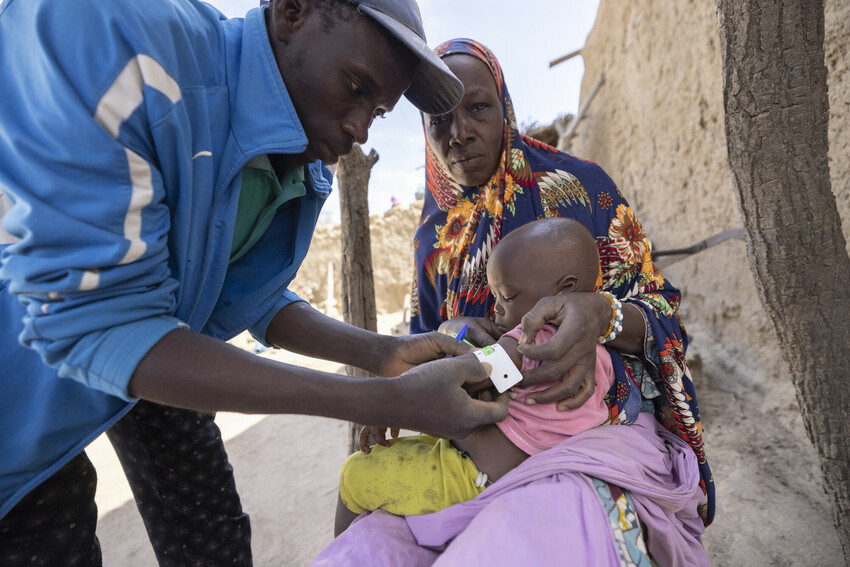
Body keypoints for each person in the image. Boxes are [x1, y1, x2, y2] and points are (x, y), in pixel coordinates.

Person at [0, 3, 511, 565]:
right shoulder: (114, 35)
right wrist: (387, 399)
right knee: (48, 523)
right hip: (19, 393)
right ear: (294, 11)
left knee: (213, 535)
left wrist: (382, 352)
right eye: (355, 86)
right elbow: (106, 325)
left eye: (380, 113)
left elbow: (242, 297)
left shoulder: (295, 164)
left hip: (158, 344)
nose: (359, 130)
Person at [312, 39, 713, 566]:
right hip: (475, 432)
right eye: (438, 119)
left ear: (504, 105)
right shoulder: (434, 240)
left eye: (477, 107)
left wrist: (602, 315)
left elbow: (664, 316)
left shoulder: (576, 190)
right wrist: (457, 332)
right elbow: (422, 342)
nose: (458, 133)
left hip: (593, 429)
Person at [335, 217, 617, 530]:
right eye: (494, 296)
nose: (495, 309)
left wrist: (393, 402)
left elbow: (471, 374)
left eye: (507, 297)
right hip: (539, 472)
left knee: (356, 474)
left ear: (564, 290)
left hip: (474, 478)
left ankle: (344, 550)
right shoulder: (597, 353)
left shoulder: (531, 338)